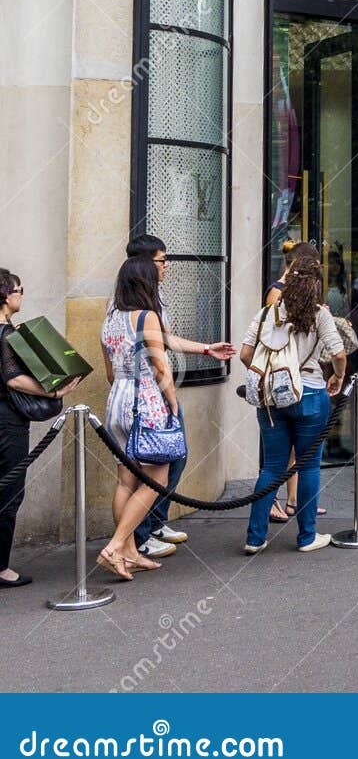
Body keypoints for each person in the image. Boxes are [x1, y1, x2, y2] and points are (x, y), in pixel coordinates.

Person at [122, 235, 235, 560]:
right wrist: (169, 397)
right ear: (145, 263)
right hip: (149, 396)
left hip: (149, 393)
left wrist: (205, 349)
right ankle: (139, 537)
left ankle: (154, 523)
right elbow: (158, 361)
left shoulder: (150, 296)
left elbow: (167, 340)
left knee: (172, 458)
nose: (166, 265)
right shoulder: (135, 302)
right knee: (151, 466)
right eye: (161, 260)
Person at [241, 254, 345, 553]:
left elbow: (246, 355)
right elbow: (338, 354)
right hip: (311, 393)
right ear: (315, 284)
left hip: (272, 398)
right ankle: (307, 536)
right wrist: (337, 377)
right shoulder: (318, 314)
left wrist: (272, 373)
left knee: (271, 467)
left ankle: (255, 537)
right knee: (309, 465)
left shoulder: (265, 314)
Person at [99, 257, 180, 580]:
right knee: (156, 479)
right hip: (145, 399)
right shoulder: (146, 316)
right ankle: (116, 546)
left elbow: (108, 370)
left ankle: (130, 551)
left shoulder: (110, 318)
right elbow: (161, 367)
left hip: (118, 397)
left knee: (126, 481)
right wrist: (171, 404)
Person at [0, 270, 77, 588]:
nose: (22, 294)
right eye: (19, 289)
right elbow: (13, 379)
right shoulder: (4, 334)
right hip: (7, 423)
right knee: (9, 494)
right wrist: (54, 391)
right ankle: (1, 569)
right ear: (5, 295)